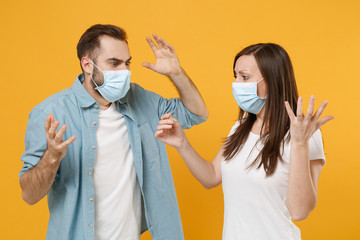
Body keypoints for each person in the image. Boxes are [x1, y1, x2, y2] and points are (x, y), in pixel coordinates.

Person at [19, 24, 208, 240]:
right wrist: (51, 158)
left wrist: (176, 73)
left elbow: (197, 113)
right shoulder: (50, 113)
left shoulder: (139, 99)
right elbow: (29, 195)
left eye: (127, 63)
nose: (125, 71)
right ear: (87, 64)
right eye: (114, 63)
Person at [155, 43, 334, 240]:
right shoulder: (241, 127)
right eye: (236, 76)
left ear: (273, 80)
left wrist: (300, 144)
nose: (237, 83)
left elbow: (300, 212)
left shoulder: (306, 135)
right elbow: (211, 177)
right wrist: (182, 143)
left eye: (245, 77)